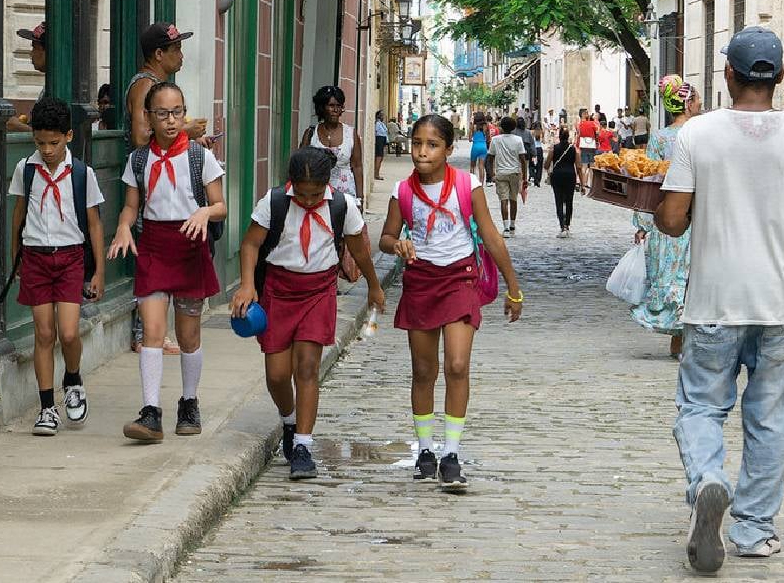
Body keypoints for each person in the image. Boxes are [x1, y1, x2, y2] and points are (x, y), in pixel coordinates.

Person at [655, 26, 784, 572]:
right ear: (781, 78)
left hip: (715, 299)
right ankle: (755, 529)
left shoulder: (698, 135)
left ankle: (708, 481)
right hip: (783, 301)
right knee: (770, 417)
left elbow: (671, 222)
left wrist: (660, 203)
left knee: (699, 406)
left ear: (728, 76)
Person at [379, 115, 523, 492]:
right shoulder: (402, 191)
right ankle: (425, 450)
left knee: (457, 365)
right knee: (424, 370)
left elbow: (490, 235)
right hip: (421, 281)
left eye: (432, 144)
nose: (422, 151)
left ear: (448, 149)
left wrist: (513, 286)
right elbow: (386, 236)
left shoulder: (467, 185)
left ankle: (452, 454)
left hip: (460, 278)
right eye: (416, 143)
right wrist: (397, 244)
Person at [230, 148, 385, 480]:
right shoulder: (274, 203)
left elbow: (359, 249)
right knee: (276, 373)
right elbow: (250, 244)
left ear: (326, 185)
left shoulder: (342, 207)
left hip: (318, 291)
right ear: (291, 184)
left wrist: (374, 285)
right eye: (302, 193)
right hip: (279, 291)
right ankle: (289, 420)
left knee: (308, 367)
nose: (309, 200)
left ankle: (302, 445)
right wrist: (246, 285)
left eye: (315, 194)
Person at [109, 81, 227, 442]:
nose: (171, 121)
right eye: (162, 114)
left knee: (189, 336)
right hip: (155, 248)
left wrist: (204, 213)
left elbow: (222, 207)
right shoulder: (138, 160)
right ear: (148, 117)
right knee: (153, 332)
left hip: (190, 248)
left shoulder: (198, 157)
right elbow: (131, 205)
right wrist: (123, 229)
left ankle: (188, 402)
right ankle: (150, 412)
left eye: (177, 112)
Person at [7, 97, 105, 435]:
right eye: (39, 143)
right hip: (35, 257)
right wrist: (15, 254)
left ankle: (73, 378)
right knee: (44, 333)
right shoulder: (26, 170)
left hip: (70, 258)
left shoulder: (81, 174)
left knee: (68, 332)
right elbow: (19, 214)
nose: (47, 149)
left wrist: (99, 272)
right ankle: (47, 408)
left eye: (53, 142)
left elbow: (93, 224)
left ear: (68, 137)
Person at [125, 22, 210, 356]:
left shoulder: (159, 84)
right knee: (149, 257)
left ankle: (152, 330)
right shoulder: (146, 84)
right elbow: (139, 136)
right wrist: (185, 126)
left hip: (160, 176)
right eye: (175, 49)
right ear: (158, 54)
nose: (181, 55)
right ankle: (143, 331)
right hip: (149, 182)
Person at [633, 75, 700, 358]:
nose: (699, 104)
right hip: (697, 217)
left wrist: (642, 224)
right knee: (693, 278)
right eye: (696, 100)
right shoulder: (701, 134)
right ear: (687, 104)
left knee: (674, 277)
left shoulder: (659, 138)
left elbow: (647, 182)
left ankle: (678, 339)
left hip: (666, 218)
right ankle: (689, 340)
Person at [301, 86, 364, 206]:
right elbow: (301, 164)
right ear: (322, 108)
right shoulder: (311, 134)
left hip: (345, 196)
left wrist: (360, 198)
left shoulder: (350, 133)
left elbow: (357, 166)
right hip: (316, 195)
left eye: (339, 106)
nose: (336, 110)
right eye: (331, 106)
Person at [486, 116, 528, 238]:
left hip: (501, 173)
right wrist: (525, 177)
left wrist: (491, 174)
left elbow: (490, 158)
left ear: (501, 127)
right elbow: (523, 160)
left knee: (503, 200)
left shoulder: (495, 140)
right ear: (513, 127)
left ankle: (505, 228)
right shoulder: (518, 140)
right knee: (513, 199)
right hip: (515, 172)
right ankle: (512, 225)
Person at [7, 21, 49, 132]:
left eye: (35, 48)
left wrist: (18, 127)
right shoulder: (48, 86)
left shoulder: (57, 89)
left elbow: (50, 137)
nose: (31, 54)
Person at [546, 128, 578, 238]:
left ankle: (562, 226)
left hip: (557, 176)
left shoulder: (554, 149)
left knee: (559, 200)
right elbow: (578, 166)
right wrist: (583, 184)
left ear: (559, 136)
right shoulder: (574, 149)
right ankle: (567, 225)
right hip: (570, 176)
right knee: (569, 201)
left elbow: (546, 165)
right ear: (568, 136)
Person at [575, 109, 599, 194]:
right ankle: (592, 184)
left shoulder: (580, 124)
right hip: (591, 146)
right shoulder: (592, 123)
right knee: (592, 166)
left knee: (584, 166)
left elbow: (578, 133)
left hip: (583, 146)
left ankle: (583, 184)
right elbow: (597, 133)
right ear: (585, 114)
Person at [511, 117, 537, 188]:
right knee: (524, 165)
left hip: (516, 150)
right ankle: (524, 179)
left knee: (517, 165)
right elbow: (532, 143)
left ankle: (519, 179)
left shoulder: (513, 131)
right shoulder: (528, 132)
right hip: (526, 150)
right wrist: (534, 153)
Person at [530, 121, 546, 187]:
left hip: (533, 149)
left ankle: (533, 176)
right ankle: (538, 179)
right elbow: (543, 141)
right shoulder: (542, 132)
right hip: (539, 149)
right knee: (539, 166)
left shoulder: (531, 132)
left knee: (532, 165)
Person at [373, 110, 389, 181]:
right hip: (379, 140)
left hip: (382, 140)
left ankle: (377, 173)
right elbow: (377, 132)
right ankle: (376, 174)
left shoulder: (381, 123)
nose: (383, 116)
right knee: (378, 157)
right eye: (381, 115)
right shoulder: (377, 123)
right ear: (378, 115)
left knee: (381, 158)